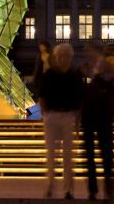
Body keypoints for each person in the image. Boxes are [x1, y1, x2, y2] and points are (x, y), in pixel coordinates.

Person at [40, 43, 84, 200]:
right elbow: (42, 97)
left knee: (68, 156)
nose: (63, 58)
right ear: (56, 57)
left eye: (66, 55)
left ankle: (67, 190)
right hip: (53, 116)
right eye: (60, 55)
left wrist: (76, 121)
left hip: (67, 116)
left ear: (70, 57)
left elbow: (80, 100)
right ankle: (50, 186)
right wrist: (45, 115)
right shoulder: (49, 74)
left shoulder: (75, 76)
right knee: (51, 154)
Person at [82, 46, 114, 202]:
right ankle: (94, 190)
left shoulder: (106, 71)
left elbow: (110, 88)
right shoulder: (86, 70)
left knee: (105, 155)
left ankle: (107, 190)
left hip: (102, 117)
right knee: (92, 156)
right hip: (91, 118)